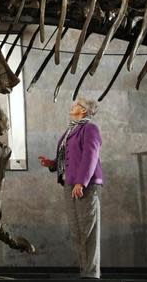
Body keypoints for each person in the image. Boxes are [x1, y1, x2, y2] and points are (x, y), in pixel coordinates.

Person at [39, 98, 102, 279]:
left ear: (83, 110)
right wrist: (51, 164)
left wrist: (81, 182)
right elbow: (68, 159)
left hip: (85, 185)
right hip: (69, 184)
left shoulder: (90, 128)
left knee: (88, 230)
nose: (72, 106)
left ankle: (91, 274)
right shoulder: (70, 130)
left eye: (75, 105)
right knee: (77, 230)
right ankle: (85, 272)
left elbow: (90, 156)